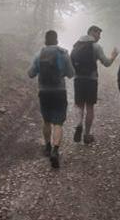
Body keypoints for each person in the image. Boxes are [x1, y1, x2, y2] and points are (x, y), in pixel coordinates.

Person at [28, 30, 75, 168]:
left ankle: (47, 146)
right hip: (59, 91)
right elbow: (71, 73)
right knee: (58, 122)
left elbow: (30, 73)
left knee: (46, 120)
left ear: (45, 40)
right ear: (56, 40)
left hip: (44, 91)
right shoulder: (63, 53)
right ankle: (55, 150)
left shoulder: (39, 54)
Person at [70, 25, 118, 144]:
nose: (100, 37)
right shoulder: (96, 47)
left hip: (78, 79)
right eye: (98, 34)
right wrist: (113, 56)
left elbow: (71, 63)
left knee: (80, 105)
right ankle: (86, 135)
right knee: (90, 107)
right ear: (92, 32)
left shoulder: (76, 45)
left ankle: (79, 123)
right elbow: (106, 63)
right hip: (91, 80)